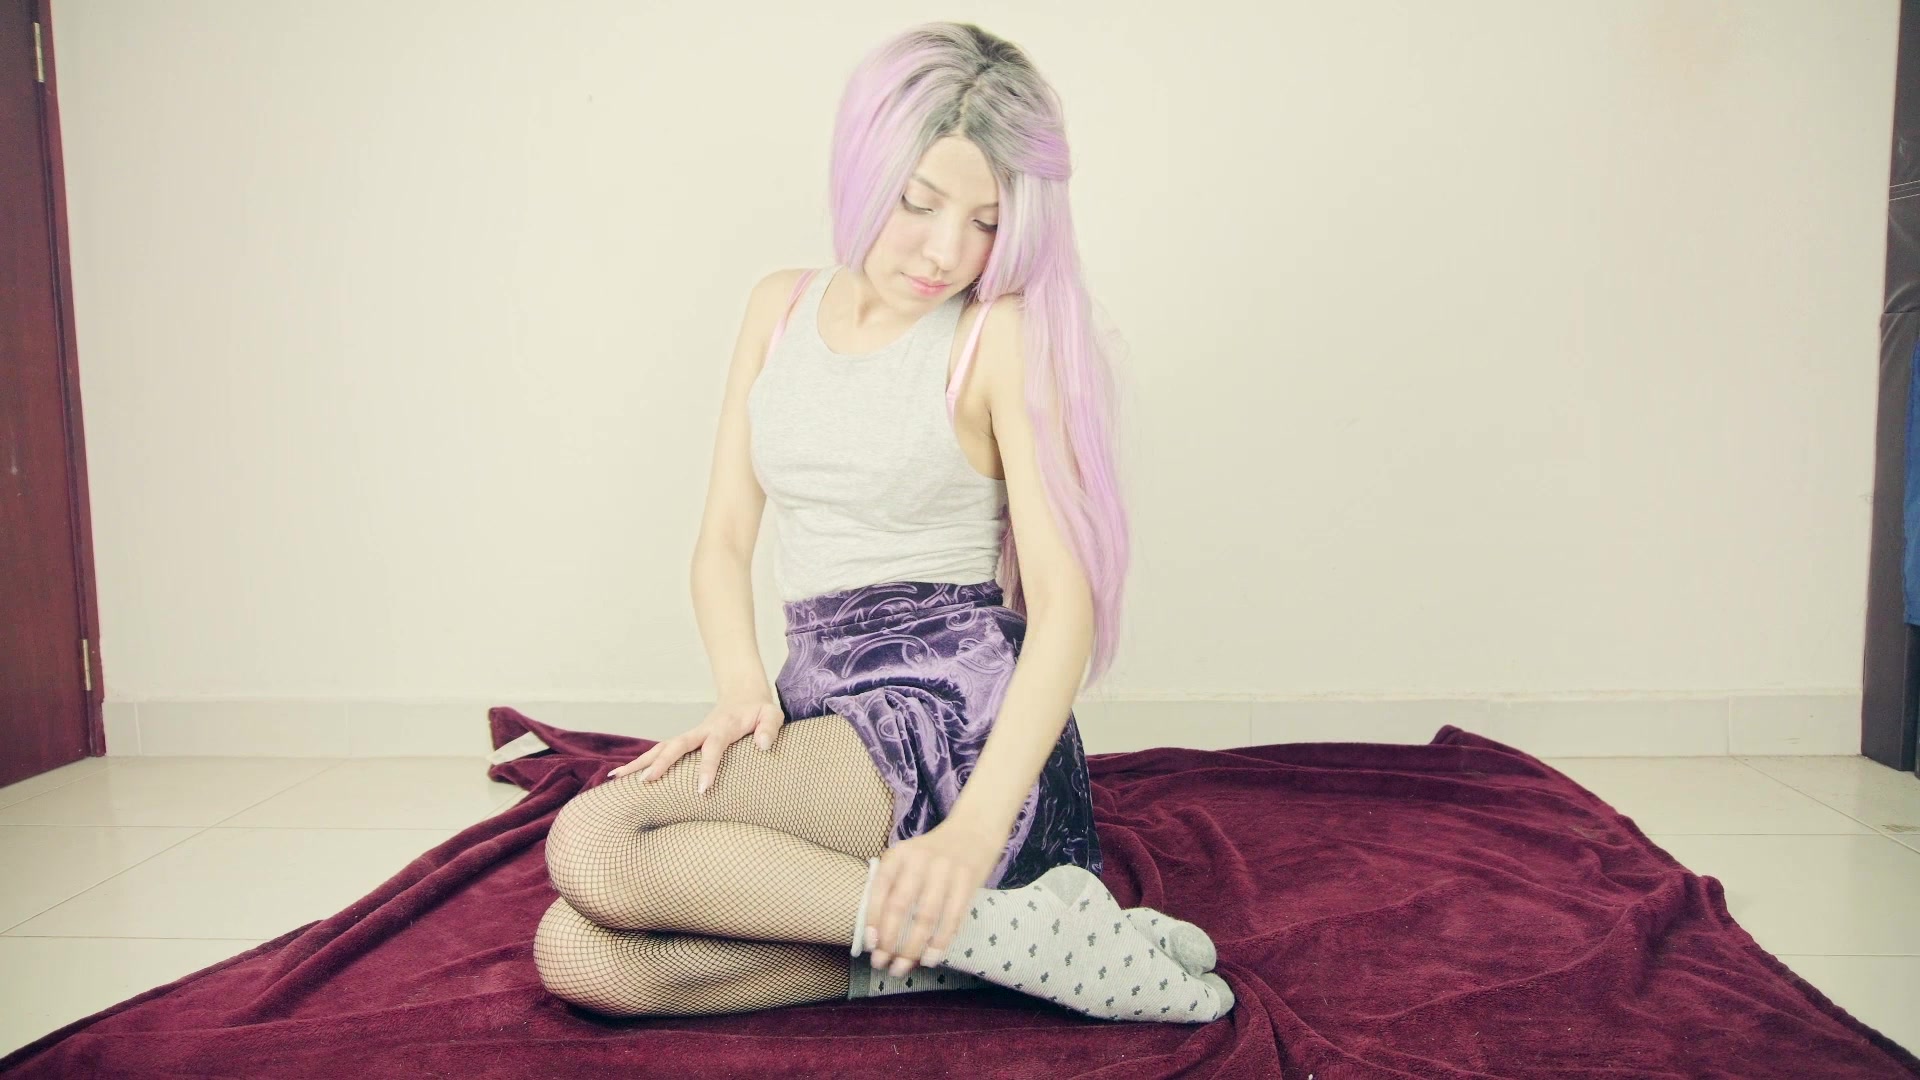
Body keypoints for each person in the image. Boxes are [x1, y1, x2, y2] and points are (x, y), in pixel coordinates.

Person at [530, 20, 1233, 1024]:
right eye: (919, 203)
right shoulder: (777, 308)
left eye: (986, 222)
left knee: (598, 843)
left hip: (949, 719)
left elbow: (1064, 610)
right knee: (583, 955)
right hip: (818, 701)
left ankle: (983, 911)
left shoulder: (996, 336)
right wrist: (741, 687)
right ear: (866, 168)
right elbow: (723, 540)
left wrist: (970, 835)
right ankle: (998, 946)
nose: (947, 251)